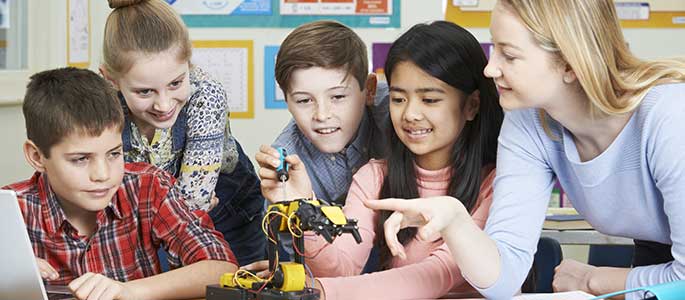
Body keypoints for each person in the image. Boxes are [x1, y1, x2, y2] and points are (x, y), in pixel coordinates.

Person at [368, 1, 685, 299]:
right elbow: (504, 276)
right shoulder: (528, 121)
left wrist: (595, 280)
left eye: (509, 55)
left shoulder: (670, 117)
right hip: (661, 259)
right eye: (494, 49)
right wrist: (455, 220)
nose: (490, 69)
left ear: (570, 64)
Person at [257, 21, 504, 299]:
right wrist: (305, 207)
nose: (410, 114)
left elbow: (439, 273)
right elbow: (343, 268)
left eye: (430, 100)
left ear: (472, 105)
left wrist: (323, 291)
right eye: (398, 99)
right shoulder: (373, 176)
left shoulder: (497, 183)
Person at [3, 67, 237, 300]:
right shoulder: (10, 210)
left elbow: (222, 268)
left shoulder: (148, 186)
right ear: (36, 157)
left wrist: (128, 290)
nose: (103, 174)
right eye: (81, 159)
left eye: (114, 153)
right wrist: (9, 272)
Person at [101, 0, 265, 265]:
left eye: (176, 83)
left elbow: (193, 202)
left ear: (188, 64)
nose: (164, 105)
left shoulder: (206, 96)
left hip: (230, 214)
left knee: (236, 286)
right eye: (144, 91)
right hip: (150, 221)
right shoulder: (98, 105)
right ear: (111, 80)